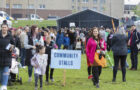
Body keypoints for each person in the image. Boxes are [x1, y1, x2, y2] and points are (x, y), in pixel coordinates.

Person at [0, 23, 15, 90]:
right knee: (1, 72)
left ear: (7, 28)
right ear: (1, 28)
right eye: (3, 27)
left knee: (6, 71)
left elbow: (13, 44)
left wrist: (12, 47)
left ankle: (4, 85)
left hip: (7, 56)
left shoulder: (10, 36)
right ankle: (2, 83)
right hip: (0, 55)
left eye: (5, 27)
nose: (4, 28)